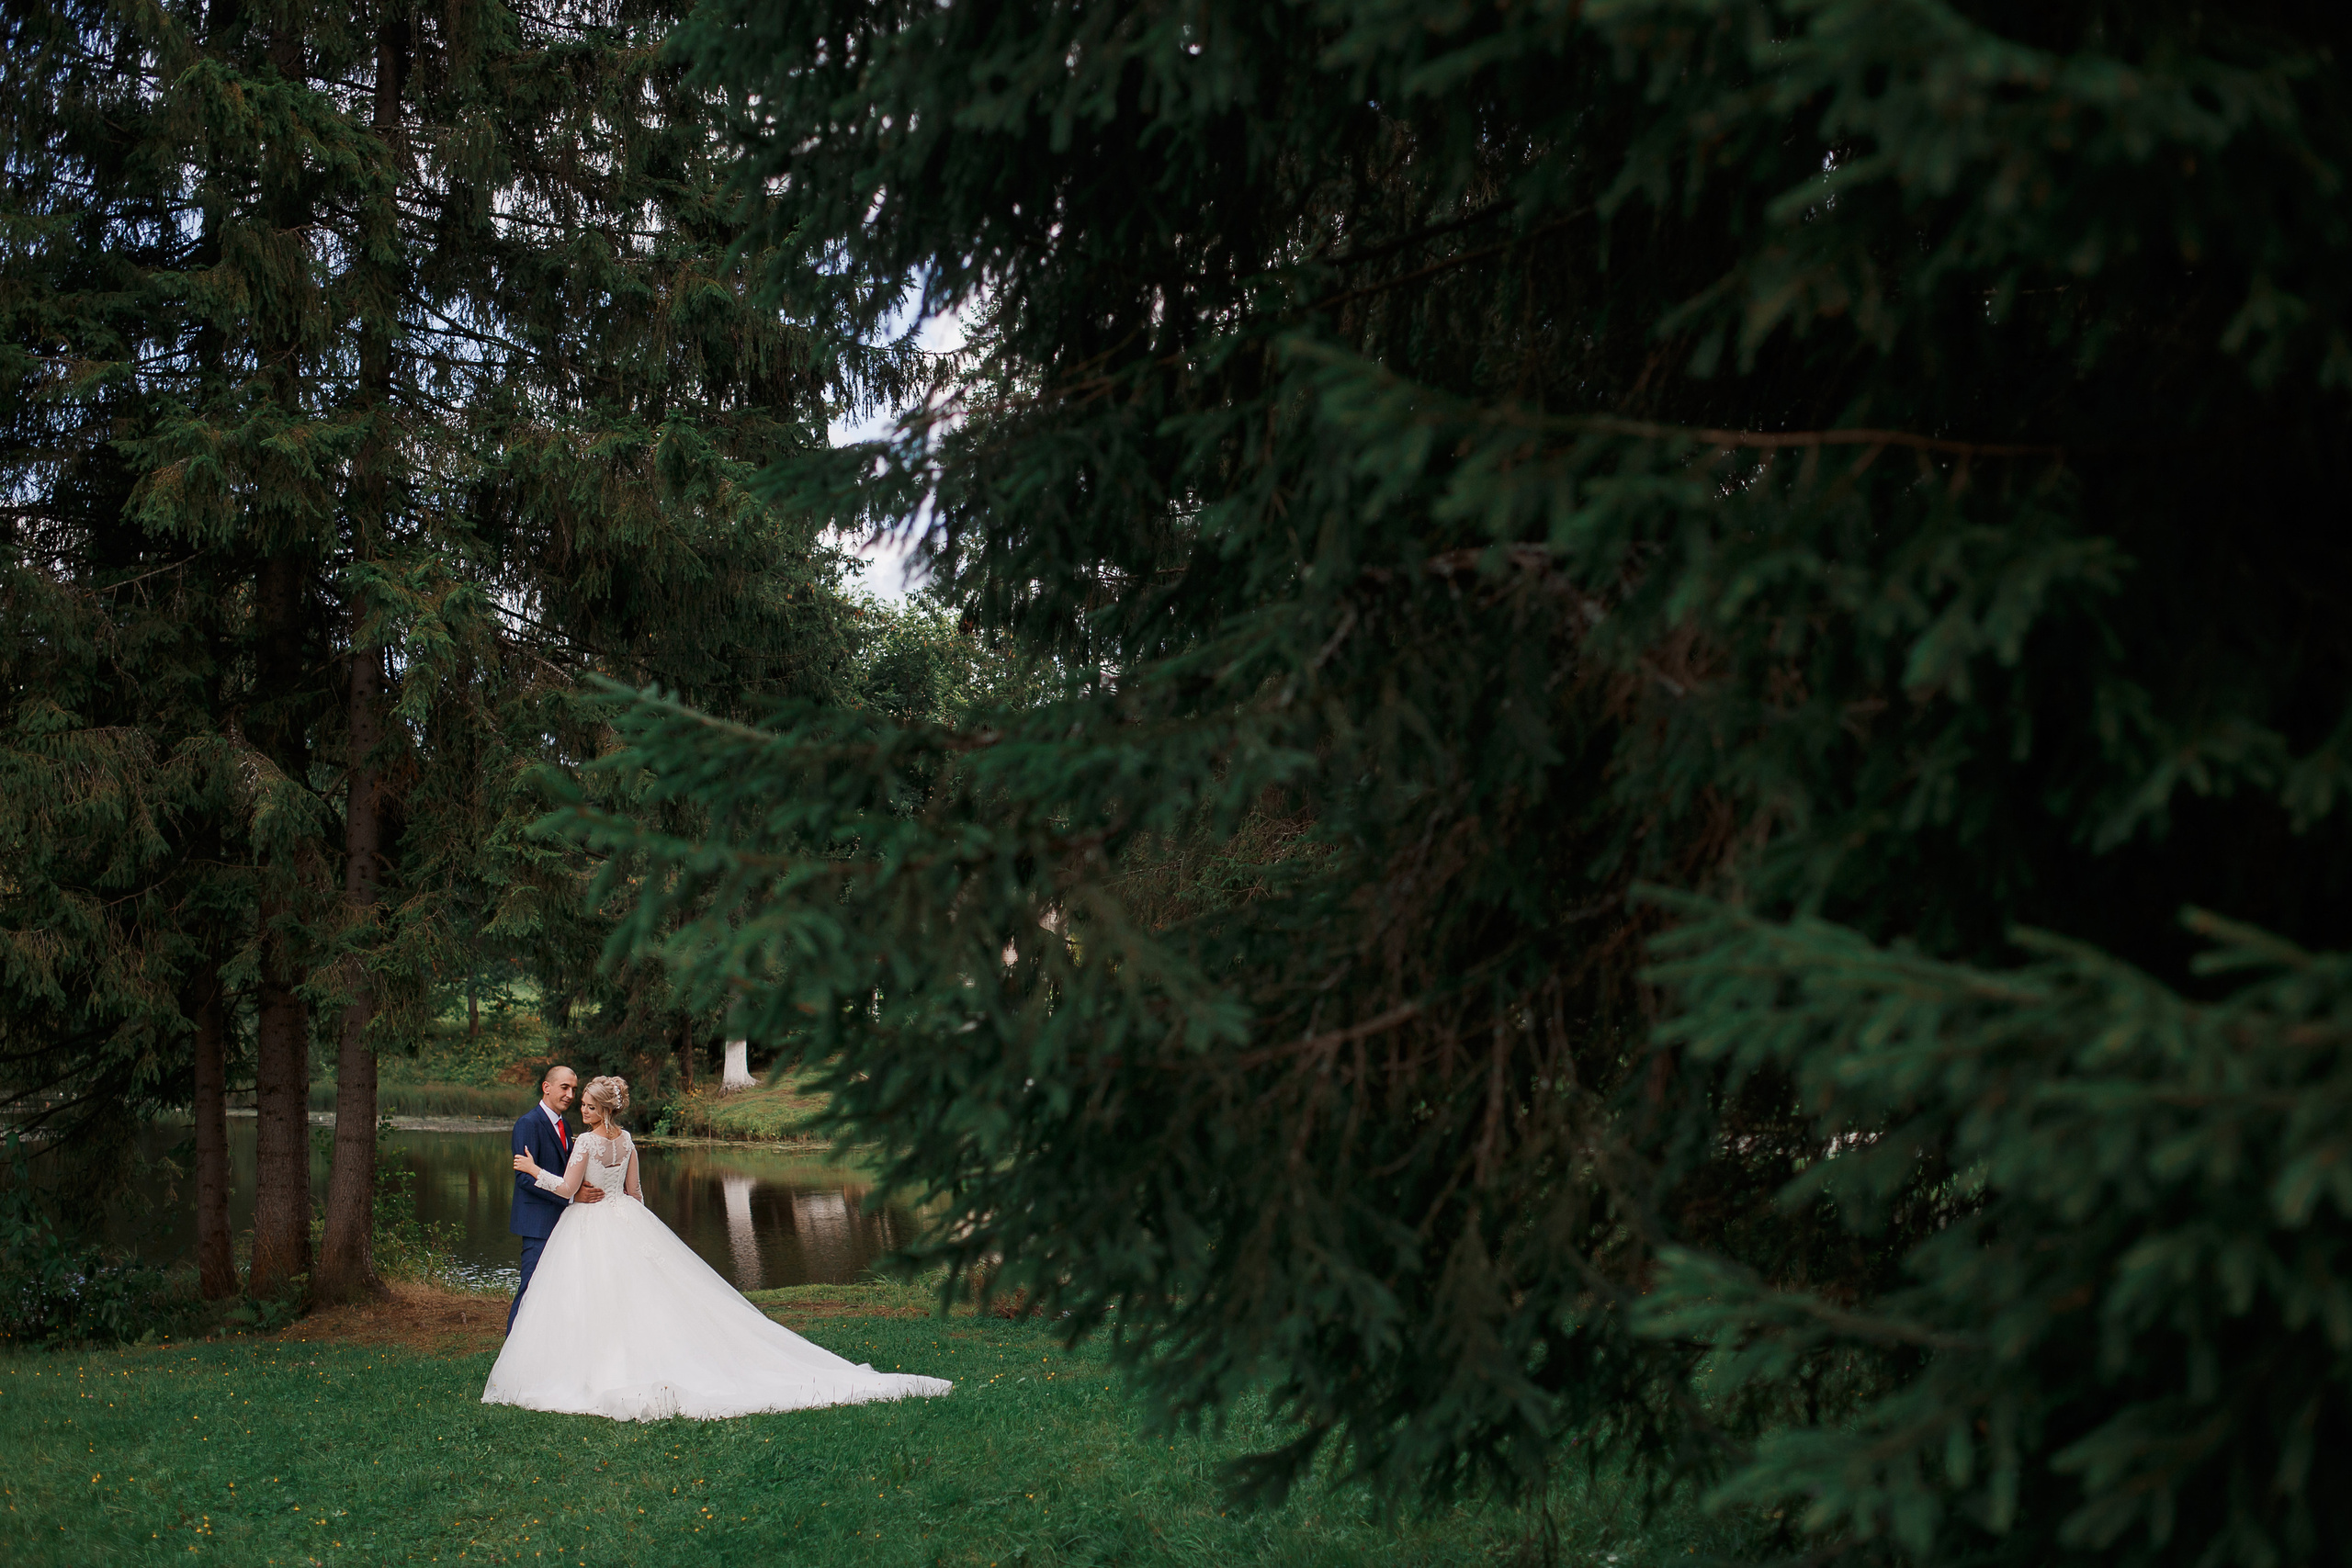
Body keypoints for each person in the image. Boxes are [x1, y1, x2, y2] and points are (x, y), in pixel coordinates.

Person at [481, 1075, 953, 1420]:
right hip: (625, 1218)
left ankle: (588, 1368)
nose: (580, 1109)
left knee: (592, 1297)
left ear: (600, 1110)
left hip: (590, 1223)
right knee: (633, 1295)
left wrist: (533, 1170)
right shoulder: (627, 1141)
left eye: (586, 1104)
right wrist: (631, 1220)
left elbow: (567, 1190)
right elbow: (637, 1194)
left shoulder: (586, 1142)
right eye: (580, 1103)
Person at [507, 1065, 603, 1333]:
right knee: (530, 1287)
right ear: (546, 1087)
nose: (570, 1095)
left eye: (573, 1089)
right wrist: (572, 1198)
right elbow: (525, 1179)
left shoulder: (565, 1125)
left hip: (564, 1223)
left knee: (557, 1290)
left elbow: (566, 1172)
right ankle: (512, 1348)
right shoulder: (528, 1123)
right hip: (537, 1222)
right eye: (565, 1087)